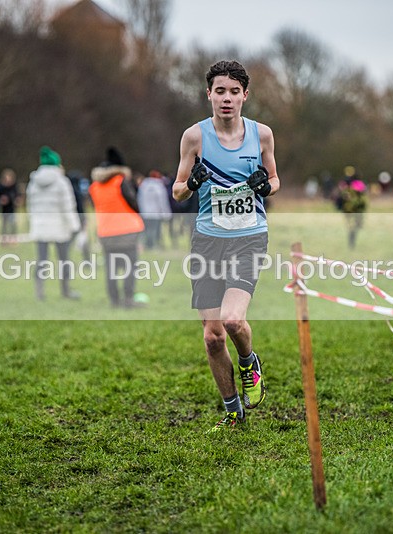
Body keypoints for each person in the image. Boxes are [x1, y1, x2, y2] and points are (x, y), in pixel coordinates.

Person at [172, 60, 280, 432]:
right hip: (207, 241)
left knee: (233, 320)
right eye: (220, 91)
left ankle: (250, 362)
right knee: (213, 337)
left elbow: (275, 179)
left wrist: (266, 185)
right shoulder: (194, 137)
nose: (227, 98)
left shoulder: (262, 134)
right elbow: (177, 190)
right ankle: (233, 411)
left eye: (234, 91)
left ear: (245, 95)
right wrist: (192, 183)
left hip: (249, 238)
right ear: (209, 94)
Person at [89, 147, 145, 308]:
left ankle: (114, 300)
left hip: (106, 232)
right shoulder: (120, 182)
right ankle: (128, 299)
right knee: (129, 267)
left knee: (111, 268)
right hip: (127, 230)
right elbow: (133, 203)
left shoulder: (94, 186)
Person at [26, 146, 82, 300]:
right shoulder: (62, 182)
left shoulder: (33, 182)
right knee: (64, 260)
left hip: (40, 226)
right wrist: (75, 226)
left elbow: (30, 205)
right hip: (59, 226)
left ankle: (39, 291)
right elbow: (68, 206)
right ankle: (66, 290)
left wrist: (33, 222)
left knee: (42, 259)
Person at [334, 166, 368, 249]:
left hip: (353, 210)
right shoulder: (356, 184)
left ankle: (352, 240)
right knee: (353, 226)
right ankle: (351, 241)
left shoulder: (346, 185)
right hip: (352, 210)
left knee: (354, 226)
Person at [138, 170, 172, 250]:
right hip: (156, 213)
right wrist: (166, 214)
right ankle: (152, 245)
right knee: (155, 230)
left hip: (145, 213)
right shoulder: (159, 186)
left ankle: (146, 245)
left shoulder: (143, 185)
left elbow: (140, 199)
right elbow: (162, 201)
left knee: (146, 230)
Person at [0, 168, 19, 241]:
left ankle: (13, 239)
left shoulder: (14, 187)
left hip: (11, 209)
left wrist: (14, 200)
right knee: (4, 225)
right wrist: (0, 200)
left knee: (13, 224)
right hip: (3, 210)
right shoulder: (0, 187)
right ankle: (3, 239)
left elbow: (17, 196)